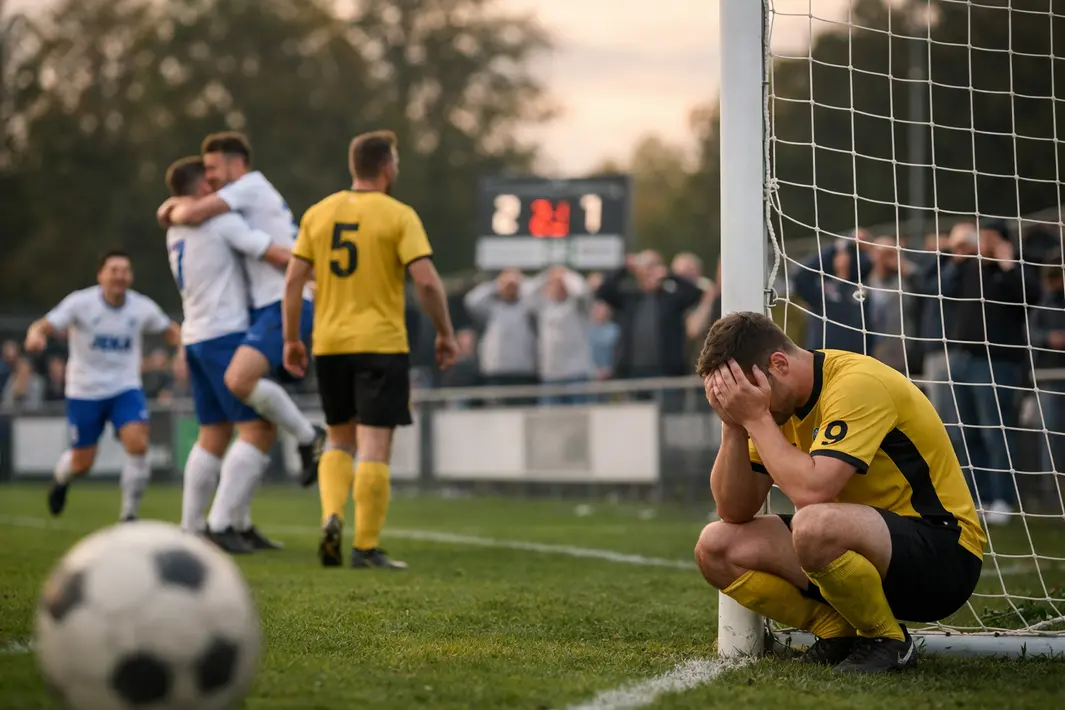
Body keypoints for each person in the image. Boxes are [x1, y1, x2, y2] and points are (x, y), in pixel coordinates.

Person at [693, 312, 984, 673]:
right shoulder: (771, 410)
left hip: (942, 554)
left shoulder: (856, 383)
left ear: (779, 364)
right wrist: (734, 426)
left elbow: (813, 491)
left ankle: (885, 639)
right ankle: (838, 632)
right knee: (716, 546)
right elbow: (734, 509)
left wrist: (755, 419)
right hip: (855, 546)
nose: (746, 404)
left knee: (813, 522)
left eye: (746, 394)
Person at [282, 129, 457, 569]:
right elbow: (427, 281)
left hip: (330, 343)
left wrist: (291, 339)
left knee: (340, 438)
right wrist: (445, 333)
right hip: (380, 343)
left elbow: (292, 280)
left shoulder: (318, 214)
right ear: (386, 167)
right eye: (395, 161)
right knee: (375, 446)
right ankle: (364, 547)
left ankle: (330, 517)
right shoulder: (398, 215)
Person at [157, 132, 325, 489]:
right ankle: (307, 437)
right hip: (265, 307)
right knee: (236, 413)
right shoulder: (237, 200)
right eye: (207, 172)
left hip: (281, 302)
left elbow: (196, 210)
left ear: (237, 164)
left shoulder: (248, 186)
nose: (212, 178)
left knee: (240, 385)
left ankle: (309, 436)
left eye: (215, 168)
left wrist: (171, 208)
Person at [164, 156, 292, 554]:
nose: (218, 188)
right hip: (225, 332)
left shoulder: (176, 226)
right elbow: (271, 252)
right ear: (201, 189)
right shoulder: (216, 219)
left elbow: (173, 210)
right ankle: (221, 526)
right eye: (212, 181)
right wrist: (315, 267)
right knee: (258, 431)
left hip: (196, 334)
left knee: (213, 434)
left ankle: (198, 527)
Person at [24, 250, 181, 522]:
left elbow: (170, 331)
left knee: (138, 442)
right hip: (85, 391)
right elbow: (44, 325)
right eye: (114, 270)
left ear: (131, 276)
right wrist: (35, 335)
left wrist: (185, 348)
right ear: (101, 275)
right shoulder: (80, 303)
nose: (120, 276)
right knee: (83, 462)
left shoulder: (141, 307)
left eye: (125, 270)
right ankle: (62, 479)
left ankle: (129, 515)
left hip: (125, 388)